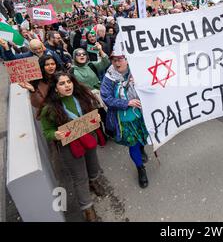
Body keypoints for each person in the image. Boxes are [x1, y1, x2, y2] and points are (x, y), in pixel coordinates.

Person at [39, 72, 106, 221]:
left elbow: (92, 114)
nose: (67, 85)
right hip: (70, 146)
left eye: (69, 82)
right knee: (79, 176)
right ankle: (87, 208)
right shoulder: (48, 109)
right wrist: (56, 135)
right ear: (55, 88)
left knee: (93, 164)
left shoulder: (82, 97)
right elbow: (47, 132)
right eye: (62, 84)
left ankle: (93, 181)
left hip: (88, 138)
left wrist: (97, 117)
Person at [100, 54, 150, 188]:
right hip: (124, 119)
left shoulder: (137, 70)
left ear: (127, 59)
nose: (117, 63)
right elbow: (106, 98)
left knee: (144, 137)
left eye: (120, 59)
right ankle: (140, 168)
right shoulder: (109, 77)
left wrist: (139, 83)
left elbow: (152, 86)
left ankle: (142, 148)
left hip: (141, 114)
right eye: (114, 60)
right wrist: (126, 102)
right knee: (132, 144)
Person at [0, 37, 65, 67]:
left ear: (42, 46)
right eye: (35, 49)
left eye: (39, 48)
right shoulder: (29, 55)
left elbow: (60, 64)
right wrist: (6, 47)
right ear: (31, 49)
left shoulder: (50, 53)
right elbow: (13, 58)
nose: (38, 51)